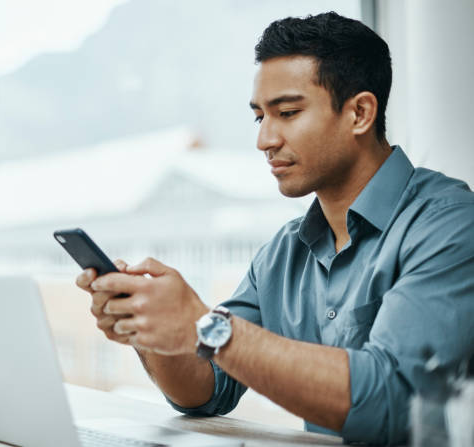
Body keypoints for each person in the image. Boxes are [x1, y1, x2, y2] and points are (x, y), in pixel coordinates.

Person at [76, 11, 474, 445]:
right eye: (258, 117)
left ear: (359, 113)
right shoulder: (285, 252)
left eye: (286, 112)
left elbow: (397, 403)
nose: (265, 140)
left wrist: (208, 328)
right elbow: (208, 389)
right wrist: (151, 329)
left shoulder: (451, 224)